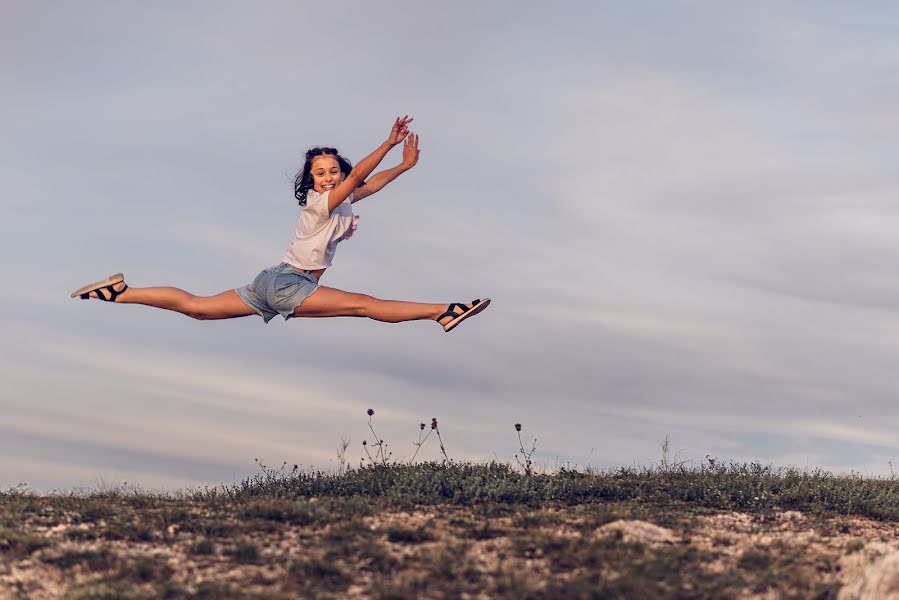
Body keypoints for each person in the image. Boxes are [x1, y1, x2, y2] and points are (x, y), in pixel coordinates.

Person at [70, 116, 490, 333]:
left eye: (332, 171)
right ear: (312, 181)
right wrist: (387, 144)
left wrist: (403, 166)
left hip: (271, 281)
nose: (327, 177)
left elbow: (368, 184)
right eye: (319, 173)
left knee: (197, 308)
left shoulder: (340, 200)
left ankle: (121, 293)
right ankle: (444, 312)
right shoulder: (320, 204)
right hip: (291, 283)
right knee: (365, 305)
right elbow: (361, 175)